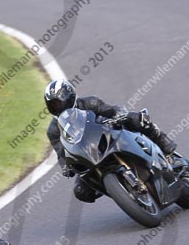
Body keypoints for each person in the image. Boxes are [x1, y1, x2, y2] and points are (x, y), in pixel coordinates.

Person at [44, 79, 176, 203]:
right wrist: (66, 167)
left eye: (60, 102)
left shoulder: (89, 103)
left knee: (139, 120)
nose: (58, 106)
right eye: (53, 104)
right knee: (81, 191)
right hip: (87, 155)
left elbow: (111, 110)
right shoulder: (53, 130)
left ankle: (164, 145)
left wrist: (119, 115)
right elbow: (61, 152)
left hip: (108, 136)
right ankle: (120, 190)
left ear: (71, 97)